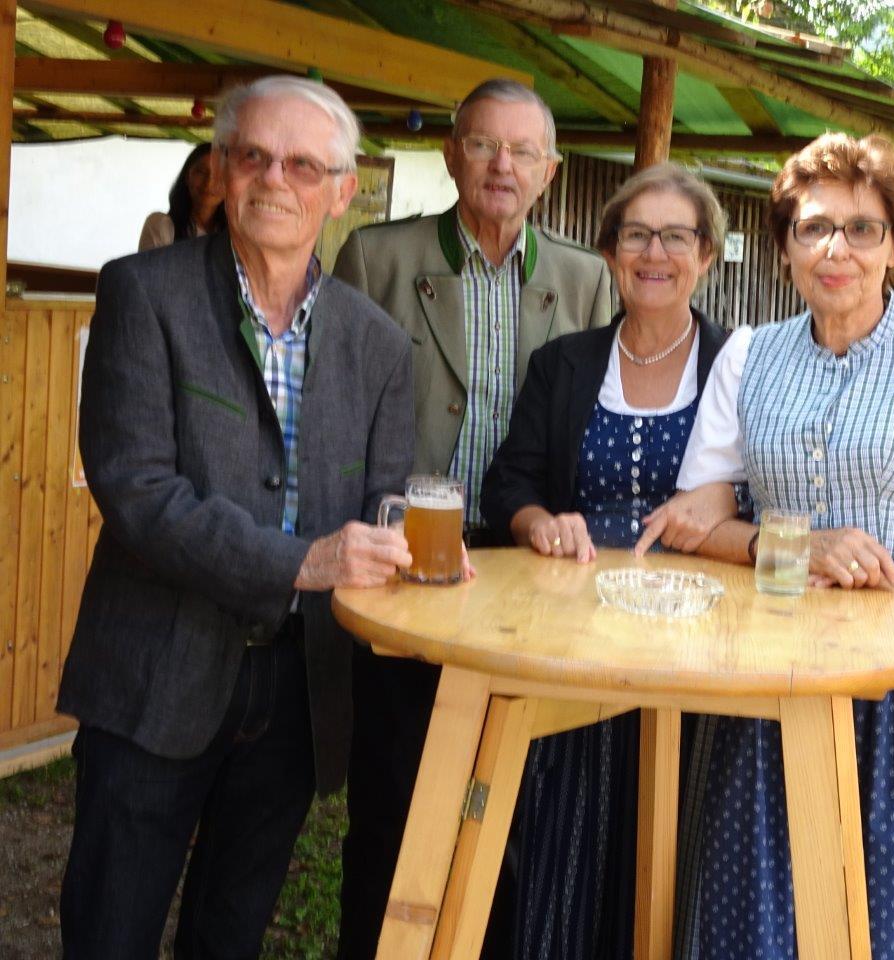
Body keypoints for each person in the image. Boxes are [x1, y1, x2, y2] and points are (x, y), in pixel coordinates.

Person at [643, 132, 894, 960]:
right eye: (814, 228)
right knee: (756, 883)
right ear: (786, 247)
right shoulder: (749, 356)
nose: (837, 250)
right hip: (770, 666)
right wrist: (793, 546)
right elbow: (698, 516)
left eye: (863, 229)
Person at [57, 76, 420, 959]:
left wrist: (411, 558)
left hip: (297, 684)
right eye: (253, 155)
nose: (274, 178)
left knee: (230, 933)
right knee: (109, 930)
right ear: (219, 170)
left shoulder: (378, 343)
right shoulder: (143, 293)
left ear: (343, 190)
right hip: (156, 666)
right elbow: (137, 491)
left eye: (303, 164)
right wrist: (301, 563)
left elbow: (386, 504)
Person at [331, 78, 614, 959]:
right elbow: (338, 416)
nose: (502, 165)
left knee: (515, 793)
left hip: (530, 573)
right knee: (394, 791)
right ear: (453, 155)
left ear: (549, 171)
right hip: (409, 563)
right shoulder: (378, 258)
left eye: (523, 151)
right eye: (485, 144)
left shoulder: (584, 278)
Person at [480, 162, 729, 958]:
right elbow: (509, 481)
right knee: (568, 829)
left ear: (707, 255)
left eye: (675, 237)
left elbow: (767, 495)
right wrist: (539, 523)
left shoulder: (740, 363)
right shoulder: (565, 363)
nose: (654, 254)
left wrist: (722, 506)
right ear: (610, 252)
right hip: (576, 640)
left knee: (676, 835)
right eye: (635, 236)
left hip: (702, 649)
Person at [138, 142, 226, 251]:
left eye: (219, 174)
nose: (208, 183)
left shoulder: (236, 234)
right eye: (201, 172)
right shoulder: (161, 225)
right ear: (187, 176)